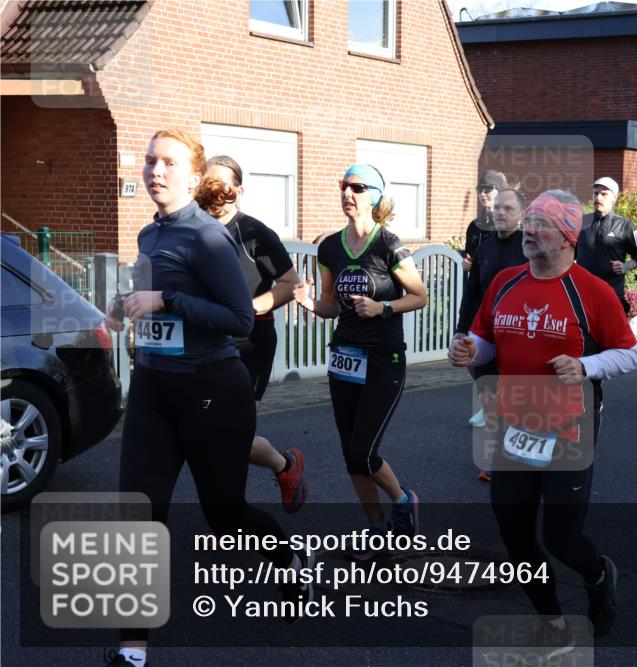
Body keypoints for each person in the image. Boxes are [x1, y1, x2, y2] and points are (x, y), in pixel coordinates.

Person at [104, 130, 311, 667]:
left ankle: (288, 561)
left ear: (194, 178)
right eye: (151, 160)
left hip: (212, 391)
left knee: (225, 514)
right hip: (153, 389)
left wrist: (166, 298)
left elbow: (240, 318)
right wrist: (126, 304)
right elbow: (156, 304)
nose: (155, 170)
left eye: (168, 162)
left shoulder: (206, 237)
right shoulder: (151, 235)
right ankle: (133, 648)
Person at [448, 189, 637, 649]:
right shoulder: (505, 281)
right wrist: (471, 349)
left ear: (568, 236)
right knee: (515, 536)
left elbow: (630, 354)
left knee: (561, 535)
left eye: (541, 224)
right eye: (528, 221)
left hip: (569, 427)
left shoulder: (590, 290)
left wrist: (586, 366)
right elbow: (487, 339)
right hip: (513, 424)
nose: (529, 231)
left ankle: (597, 577)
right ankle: (551, 619)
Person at [292, 164, 427, 557]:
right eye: (344, 186)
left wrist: (382, 308)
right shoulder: (330, 247)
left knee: (363, 452)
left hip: (384, 358)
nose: (348, 192)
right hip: (345, 358)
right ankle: (376, 529)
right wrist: (308, 303)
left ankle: (403, 501)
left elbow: (420, 296)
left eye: (357, 187)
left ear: (375, 196)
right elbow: (331, 307)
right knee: (350, 453)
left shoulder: (388, 243)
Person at [197, 155, 306, 512]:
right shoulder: (193, 229)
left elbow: (290, 284)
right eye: (206, 183)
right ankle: (227, 510)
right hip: (206, 344)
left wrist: (250, 308)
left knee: (233, 433)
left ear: (238, 191)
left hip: (250, 343)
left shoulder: (256, 233)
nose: (213, 191)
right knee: (204, 432)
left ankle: (282, 467)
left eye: (221, 184)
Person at [453, 187, 528, 480]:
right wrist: (462, 330)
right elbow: (471, 293)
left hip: (518, 335)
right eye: (497, 208)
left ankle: (514, 457)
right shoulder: (485, 249)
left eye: (508, 208)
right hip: (486, 334)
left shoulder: (528, 247)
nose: (499, 213)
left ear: (521, 214)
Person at [575, 177, 637, 314]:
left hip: (612, 295)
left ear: (614, 197)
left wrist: (626, 266)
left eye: (604, 194)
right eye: (596, 193)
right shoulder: (581, 221)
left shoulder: (626, 225)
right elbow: (571, 252)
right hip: (583, 295)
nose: (598, 197)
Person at [463, 170, 507, 272]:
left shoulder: (511, 225)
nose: (482, 194)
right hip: (479, 285)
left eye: (487, 189)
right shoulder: (474, 226)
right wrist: (466, 262)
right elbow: (468, 253)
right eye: (480, 189)